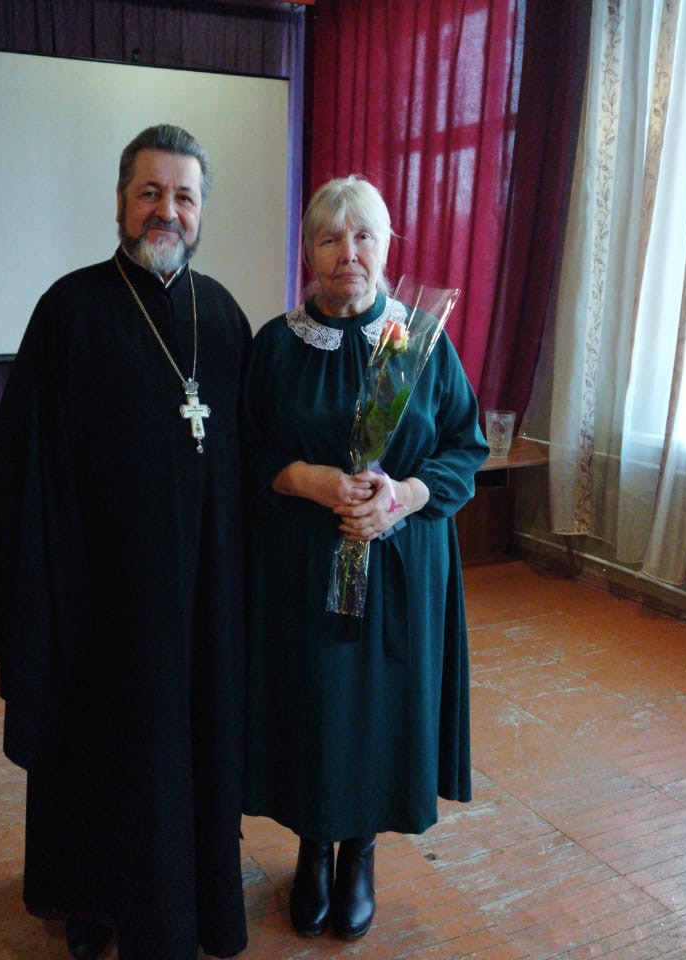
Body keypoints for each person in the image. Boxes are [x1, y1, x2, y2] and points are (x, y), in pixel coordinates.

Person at [0, 124, 250, 960]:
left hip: (204, 596)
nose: (168, 211)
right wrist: (49, 590)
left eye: (184, 196)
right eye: (150, 193)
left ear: (202, 210)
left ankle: (195, 894)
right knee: (104, 752)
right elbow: (25, 470)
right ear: (121, 203)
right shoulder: (69, 311)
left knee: (192, 741)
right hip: (101, 599)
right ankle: (94, 896)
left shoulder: (224, 317)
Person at [241, 175, 488, 940]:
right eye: (330, 238)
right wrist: (312, 481)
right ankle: (315, 845)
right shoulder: (276, 345)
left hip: (402, 567)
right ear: (308, 252)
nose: (347, 253)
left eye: (364, 237)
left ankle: (362, 851)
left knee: (381, 705)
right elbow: (246, 453)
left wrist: (402, 497)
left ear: (387, 247)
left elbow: (465, 448)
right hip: (302, 564)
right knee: (315, 701)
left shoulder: (420, 341)